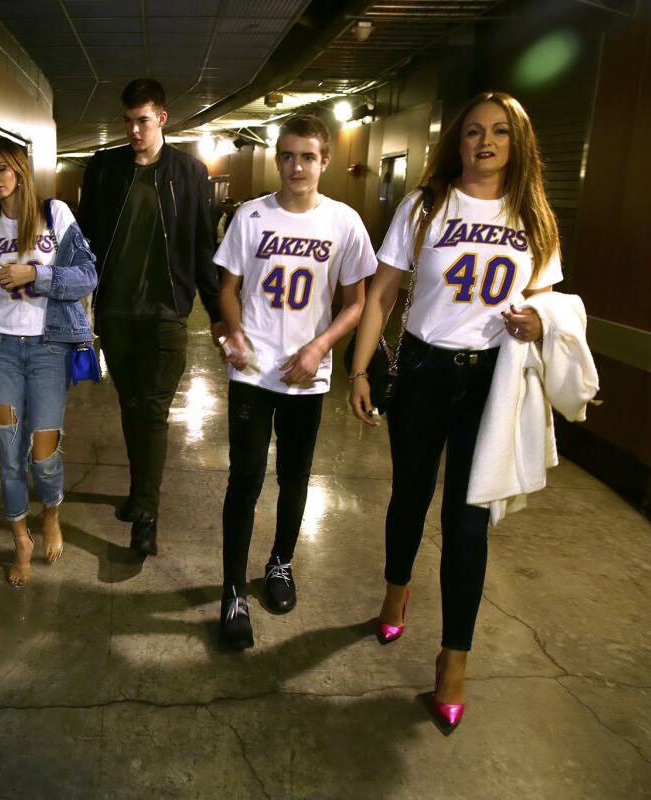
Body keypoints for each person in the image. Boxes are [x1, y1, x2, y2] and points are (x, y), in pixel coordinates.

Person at [347, 91, 563, 729]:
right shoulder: (425, 205)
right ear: (458, 140)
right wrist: (361, 369)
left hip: (491, 381)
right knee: (409, 496)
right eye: (474, 131)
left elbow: (548, 304)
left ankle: (455, 658)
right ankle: (396, 589)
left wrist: (534, 320)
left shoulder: (535, 216)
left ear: (517, 142)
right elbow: (383, 294)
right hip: (421, 369)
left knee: (468, 522)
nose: (486, 142)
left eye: (499, 132)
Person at [214, 114, 375, 648]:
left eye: (307, 156)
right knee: (245, 479)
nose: (296, 166)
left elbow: (356, 305)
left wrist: (319, 346)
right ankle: (233, 589)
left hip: (309, 375)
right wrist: (234, 333)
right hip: (255, 372)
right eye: (286, 155)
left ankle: (281, 563)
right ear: (276, 159)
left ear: (325, 161)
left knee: (296, 478)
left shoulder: (345, 223)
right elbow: (229, 289)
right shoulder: (250, 216)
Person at [0, 138, 97, 588]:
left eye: (2, 169)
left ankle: (51, 515)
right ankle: (19, 539)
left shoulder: (54, 214)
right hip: (1, 351)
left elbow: (88, 274)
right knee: (8, 455)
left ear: (21, 167)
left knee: (43, 456)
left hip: (49, 350)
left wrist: (37, 274)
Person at [78, 78, 223, 557]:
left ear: (162, 118)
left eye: (143, 120)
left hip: (164, 315)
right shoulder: (103, 169)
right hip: (116, 312)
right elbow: (84, 241)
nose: (134, 130)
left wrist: (218, 312)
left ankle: (146, 515)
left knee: (153, 412)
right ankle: (138, 495)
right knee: (130, 405)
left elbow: (203, 247)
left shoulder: (189, 173)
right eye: (127, 121)